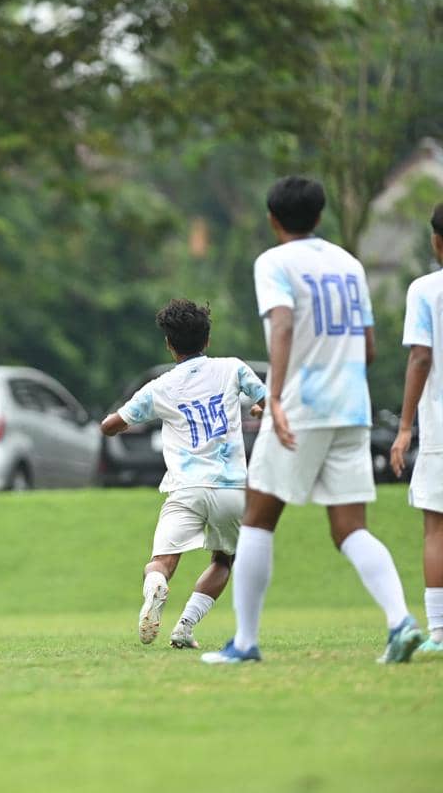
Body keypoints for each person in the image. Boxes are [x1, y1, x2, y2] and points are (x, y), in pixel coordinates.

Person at [201, 176, 423, 665]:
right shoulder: (349, 263)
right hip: (352, 407)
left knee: (258, 518)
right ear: (320, 217)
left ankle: (245, 642)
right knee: (350, 527)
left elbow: (282, 324)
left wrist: (275, 396)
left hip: (301, 407)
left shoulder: (274, 262)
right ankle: (400, 621)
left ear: (272, 219)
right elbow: (367, 346)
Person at [101, 299, 267, 649]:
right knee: (223, 560)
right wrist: (257, 408)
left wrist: (127, 420)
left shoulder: (160, 386)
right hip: (231, 488)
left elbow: (110, 426)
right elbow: (270, 401)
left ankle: (157, 587)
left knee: (160, 561)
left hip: (186, 488)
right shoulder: (232, 368)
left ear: (169, 344)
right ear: (207, 340)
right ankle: (185, 627)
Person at [390, 202, 443, 653]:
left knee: (437, 529)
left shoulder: (426, 290)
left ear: (436, 240)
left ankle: (441, 634)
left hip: (440, 429)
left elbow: (421, 357)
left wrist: (405, 426)